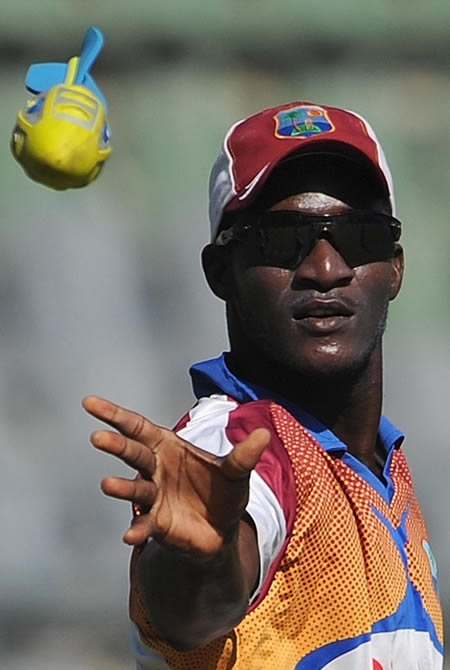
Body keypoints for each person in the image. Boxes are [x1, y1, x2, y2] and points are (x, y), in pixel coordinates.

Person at [83, 101, 444, 669]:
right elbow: (193, 610)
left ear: (394, 266)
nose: (326, 268)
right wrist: (206, 558)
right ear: (220, 272)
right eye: (283, 241)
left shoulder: (383, 463)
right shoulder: (236, 443)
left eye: (358, 235)